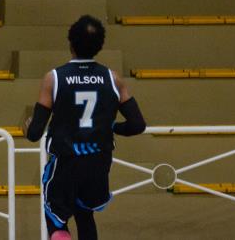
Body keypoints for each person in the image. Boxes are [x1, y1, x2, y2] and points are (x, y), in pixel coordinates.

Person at [25, 15, 146, 240]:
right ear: (100, 46)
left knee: (56, 221)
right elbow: (137, 125)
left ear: (70, 42)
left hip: (66, 160)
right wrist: (112, 127)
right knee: (85, 215)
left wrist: (28, 126)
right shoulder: (113, 79)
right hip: (98, 162)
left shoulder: (54, 78)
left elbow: (34, 134)